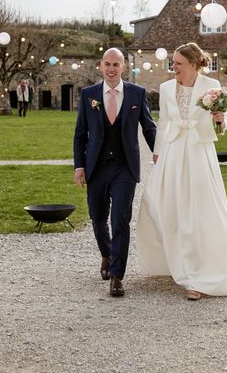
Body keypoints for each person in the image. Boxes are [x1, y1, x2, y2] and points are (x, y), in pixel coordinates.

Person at [136, 42, 227, 301]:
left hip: (199, 152)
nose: (174, 68)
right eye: (173, 63)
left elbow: (223, 119)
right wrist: (157, 152)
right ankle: (173, 261)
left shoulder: (211, 85)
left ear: (192, 64)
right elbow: (164, 122)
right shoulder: (167, 88)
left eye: (178, 63)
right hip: (173, 151)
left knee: (199, 210)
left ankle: (199, 276)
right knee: (164, 205)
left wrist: (220, 121)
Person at [73, 47, 156, 297]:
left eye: (116, 65)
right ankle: (107, 255)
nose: (111, 69)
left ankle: (117, 276)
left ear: (123, 67)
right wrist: (79, 166)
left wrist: (160, 152)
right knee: (98, 217)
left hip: (125, 167)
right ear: (101, 66)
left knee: (120, 219)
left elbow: (149, 128)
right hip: (96, 166)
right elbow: (80, 135)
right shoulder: (88, 95)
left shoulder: (137, 94)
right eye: (107, 64)